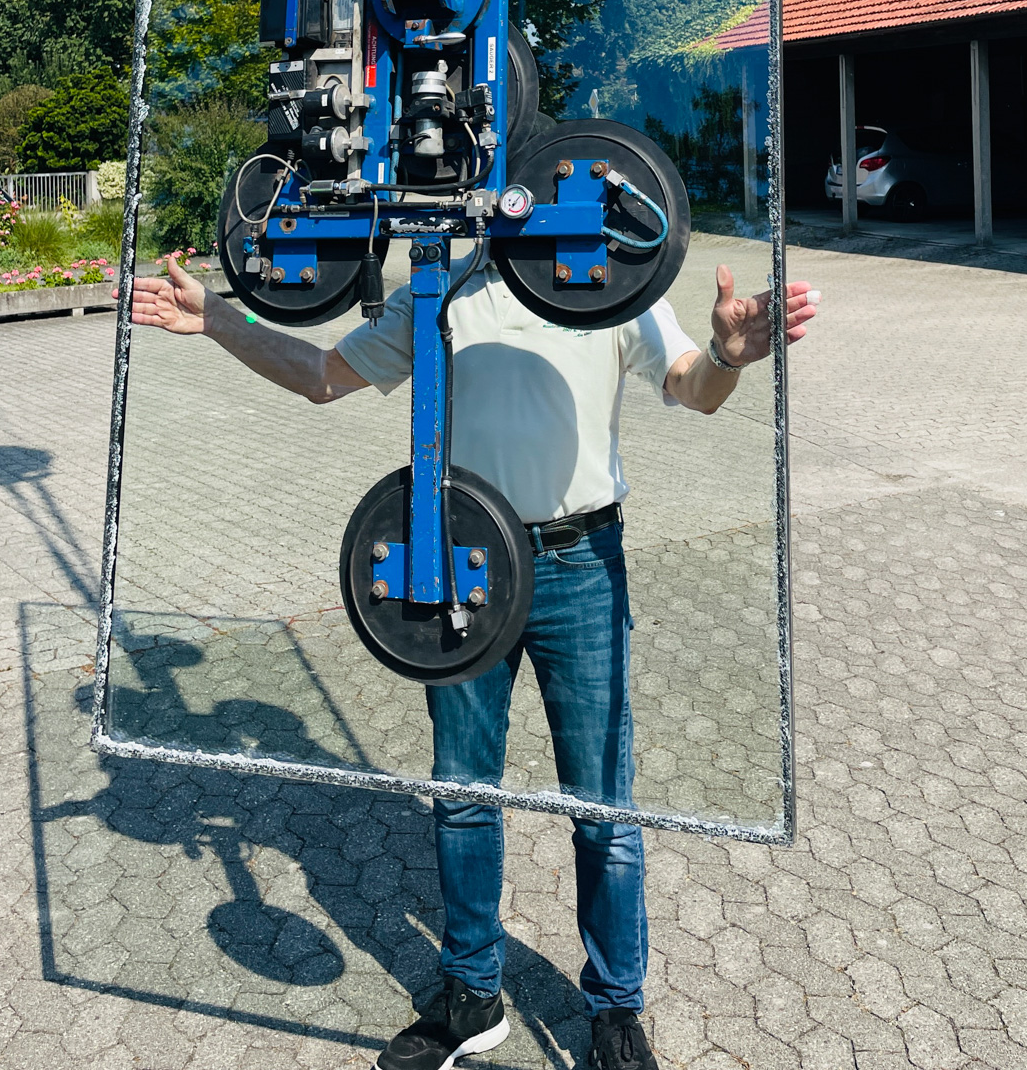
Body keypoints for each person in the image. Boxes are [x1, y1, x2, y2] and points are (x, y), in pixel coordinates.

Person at [132, 250, 819, 1070]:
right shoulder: (440, 289)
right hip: (461, 564)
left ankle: (615, 1010)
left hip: (580, 565)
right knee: (462, 795)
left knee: (604, 807)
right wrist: (220, 317)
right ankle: (472, 995)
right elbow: (321, 375)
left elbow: (691, 386)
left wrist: (726, 358)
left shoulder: (605, 277)